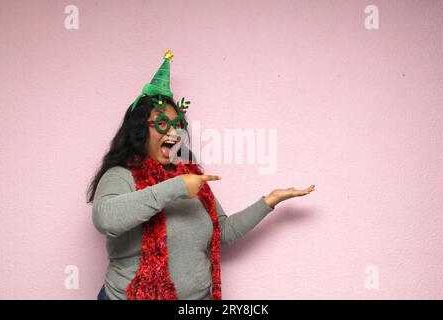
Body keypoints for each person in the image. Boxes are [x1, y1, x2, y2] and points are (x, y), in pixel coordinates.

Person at [86, 50, 316, 300]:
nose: (173, 132)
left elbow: (222, 231)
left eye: (178, 125)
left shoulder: (191, 177)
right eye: (163, 124)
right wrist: (176, 187)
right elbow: (105, 219)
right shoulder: (122, 175)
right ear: (140, 131)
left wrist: (269, 201)